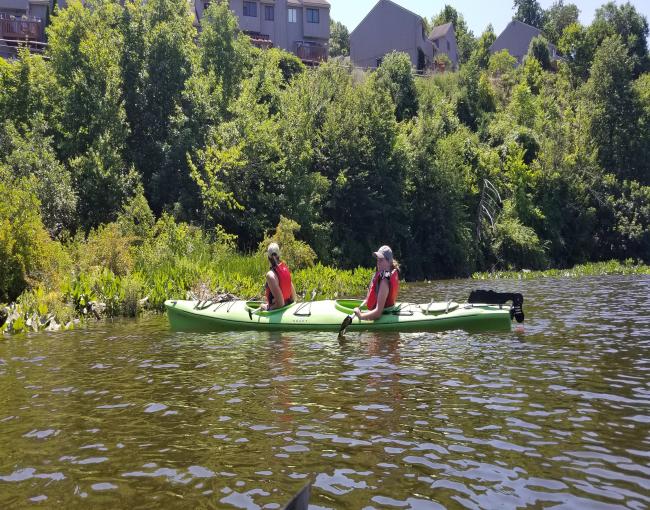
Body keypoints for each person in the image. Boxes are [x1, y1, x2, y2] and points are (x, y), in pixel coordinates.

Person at [353, 245, 400, 321]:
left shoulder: (384, 280)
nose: (378, 263)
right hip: (389, 308)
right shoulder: (387, 274)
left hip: (383, 312)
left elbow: (378, 313)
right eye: (378, 260)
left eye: (381, 260)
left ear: (389, 262)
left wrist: (360, 316)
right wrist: (367, 300)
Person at [261, 242, 298, 311]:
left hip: (279, 311)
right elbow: (294, 298)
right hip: (289, 307)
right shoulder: (285, 269)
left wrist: (267, 308)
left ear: (268, 257)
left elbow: (280, 304)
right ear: (279, 255)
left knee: (263, 306)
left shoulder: (270, 275)